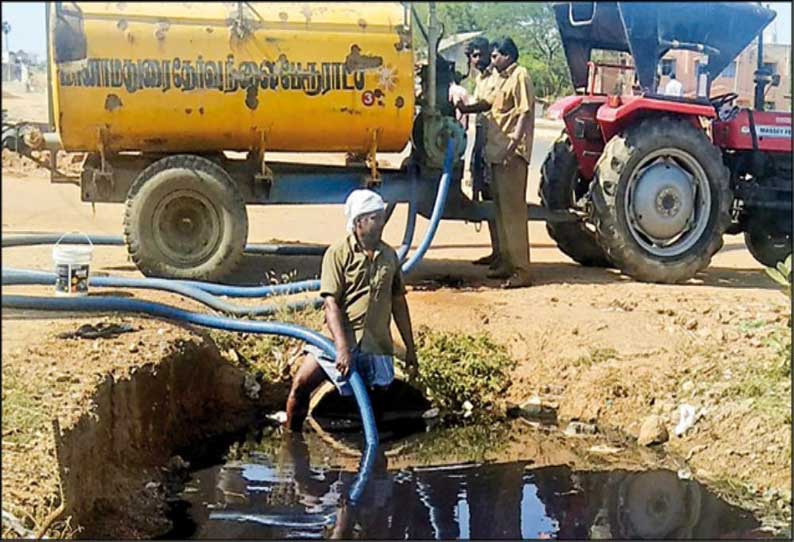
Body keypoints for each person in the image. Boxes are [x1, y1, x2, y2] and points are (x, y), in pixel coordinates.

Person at [285, 189, 418, 431]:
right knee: (301, 384)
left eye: (381, 217)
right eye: (375, 218)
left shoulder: (389, 256)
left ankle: (373, 457)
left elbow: (399, 302)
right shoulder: (338, 254)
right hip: (335, 342)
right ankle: (291, 444)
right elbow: (330, 304)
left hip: (376, 345)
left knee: (376, 405)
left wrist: (410, 348)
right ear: (358, 222)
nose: (381, 223)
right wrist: (341, 348)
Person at [481, 37, 534, 289]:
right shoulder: (499, 79)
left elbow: (525, 110)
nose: (492, 60)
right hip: (497, 153)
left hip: (511, 155)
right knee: (501, 212)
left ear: (508, 56)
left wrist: (514, 142)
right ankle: (505, 262)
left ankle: (522, 270)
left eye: (495, 56)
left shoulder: (520, 76)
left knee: (513, 214)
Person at [457, 37, 502, 269]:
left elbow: (488, 104)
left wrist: (465, 108)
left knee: (496, 198)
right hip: (481, 139)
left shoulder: (498, 76)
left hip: (494, 140)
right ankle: (496, 251)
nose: (476, 60)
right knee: (486, 196)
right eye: (472, 56)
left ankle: (504, 253)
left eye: (479, 55)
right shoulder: (480, 77)